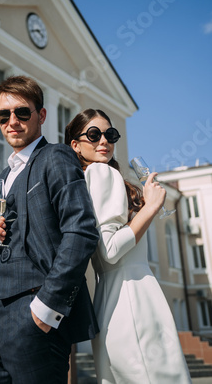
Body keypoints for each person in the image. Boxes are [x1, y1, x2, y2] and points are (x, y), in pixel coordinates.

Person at [0, 76, 99, 384]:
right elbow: (7, 241)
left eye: (22, 113)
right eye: (3, 115)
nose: (12, 121)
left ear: (41, 116)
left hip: (35, 313)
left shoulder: (56, 157)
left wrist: (46, 308)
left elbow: (81, 231)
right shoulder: (3, 175)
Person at [65, 108, 191, 384]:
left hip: (109, 301)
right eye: (94, 134)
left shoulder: (83, 180)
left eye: (110, 134)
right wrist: (152, 207)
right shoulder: (102, 174)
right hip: (134, 298)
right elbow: (109, 250)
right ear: (75, 144)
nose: (104, 141)